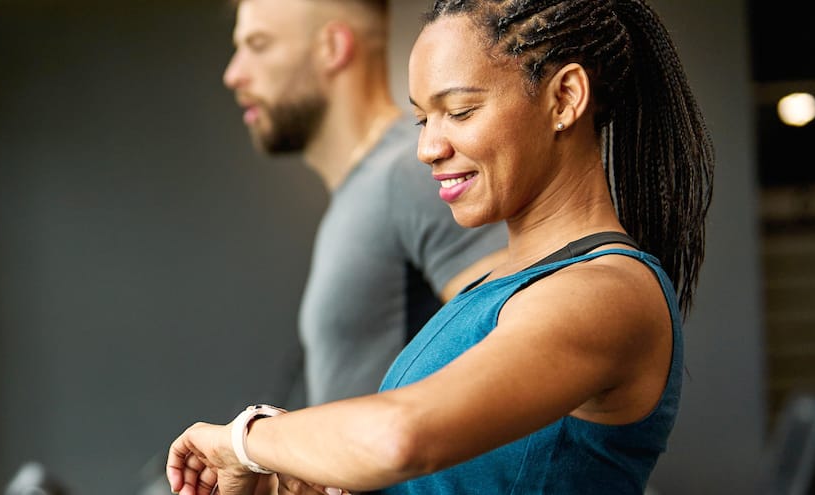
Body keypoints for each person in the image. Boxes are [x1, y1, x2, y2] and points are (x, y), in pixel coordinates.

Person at [171, 0, 715, 493]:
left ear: (565, 98)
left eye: (459, 111)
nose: (428, 148)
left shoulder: (605, 292)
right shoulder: (496, 287)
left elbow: (400, 437)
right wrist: (287, 485)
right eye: (421, 118)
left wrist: (246, 439)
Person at [222, 0, 507, 406]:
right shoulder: (368, 188)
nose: (233, 75)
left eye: (259, 44)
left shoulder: (415, 173)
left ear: (333, 47)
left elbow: (513, 357)